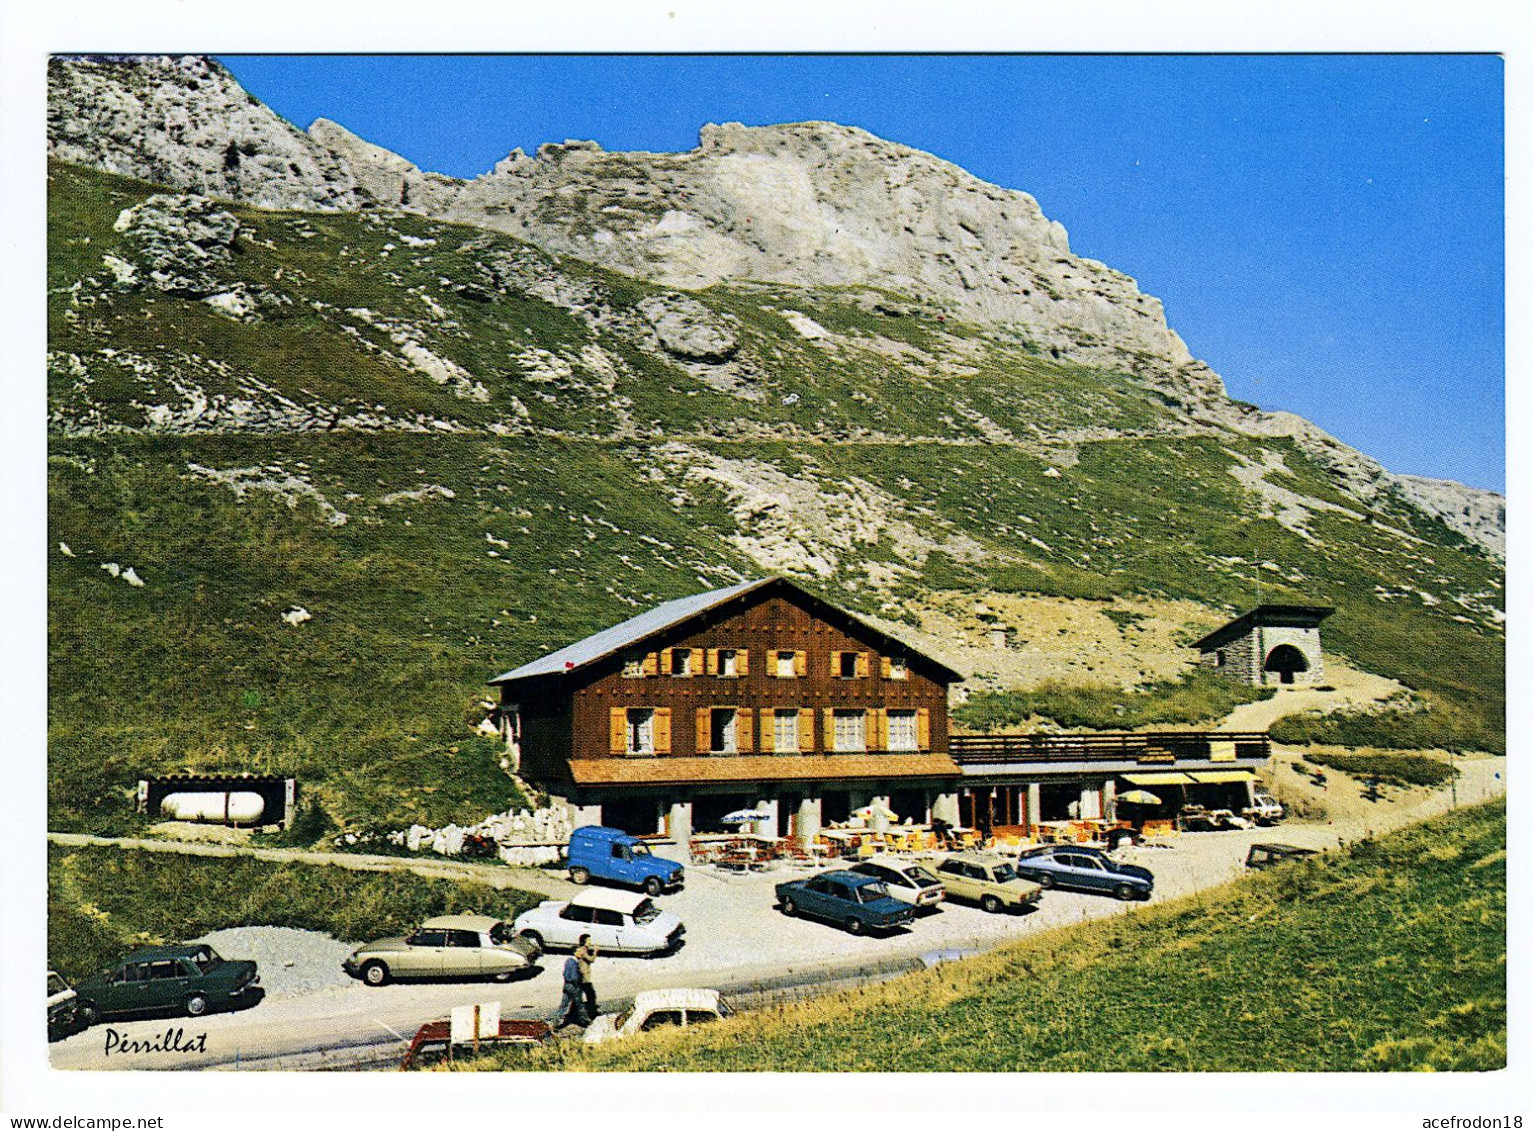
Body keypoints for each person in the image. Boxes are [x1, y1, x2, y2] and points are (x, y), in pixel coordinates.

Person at [555, 954, 587, 1029]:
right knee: (579, 1004)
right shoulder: (575, 963)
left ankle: (556, 1021)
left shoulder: (568, 961)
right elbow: (574, 977)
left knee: (563, 1005)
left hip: (566, 985)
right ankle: (585, 1021)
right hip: (574, 986)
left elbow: (564, 973)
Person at [574, 934, 598, 1021]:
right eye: (588, 941)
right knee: (591, 996)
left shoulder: (583, 950)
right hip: (584, 979)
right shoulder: (582, 951)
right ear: (584, 941)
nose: (590, 942)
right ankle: (592, 1014)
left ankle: (578, 1014)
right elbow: (591, 959)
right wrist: (595, 951)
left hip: (583, 978)